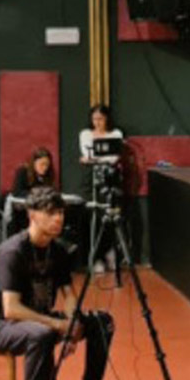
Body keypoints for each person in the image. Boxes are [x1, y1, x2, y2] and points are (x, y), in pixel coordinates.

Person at [0, 187, 129, 380]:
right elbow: (11, 309)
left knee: (102, 322)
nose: (58, 218)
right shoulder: (12, 252)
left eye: (60, 212)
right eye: (50, 213)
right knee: (42, 334)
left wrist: (71, 324)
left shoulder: (56, 250)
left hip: (38, 319)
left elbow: (69, 294)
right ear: (32, 215)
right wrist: (57, 324)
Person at [79, 104, 124, 272]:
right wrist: (95, 159)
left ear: (107, 119)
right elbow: (88, 153)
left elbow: (114, 158)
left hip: (110, 179)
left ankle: (110, 252)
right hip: (91, 179)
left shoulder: (116, 134)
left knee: (110, 215)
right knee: (93, 217)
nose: (97, 122)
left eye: (101, 119)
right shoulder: (85, 134)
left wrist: (94, 159)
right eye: (94, 119)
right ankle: (95, 257)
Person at [5, 146, 57, 238]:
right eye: (42, 164)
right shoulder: (23, 172)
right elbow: (17, 192)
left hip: (40, 211)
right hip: (22, 210)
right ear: (34, 163)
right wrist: (36, 195)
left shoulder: (48, 176)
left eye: (47, 165)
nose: (45, 168)